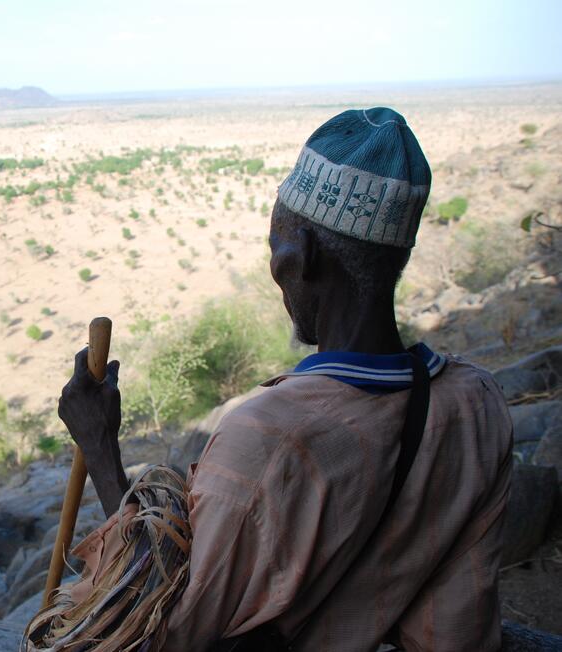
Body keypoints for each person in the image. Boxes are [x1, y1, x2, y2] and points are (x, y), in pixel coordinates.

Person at [56, 107, 513, 652]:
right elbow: (460, 624)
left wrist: (102, 450)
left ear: (301, 255)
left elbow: (161, 631)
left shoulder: (268, 440)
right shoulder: (476, 404)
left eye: (278, 242)